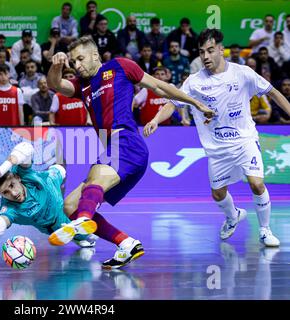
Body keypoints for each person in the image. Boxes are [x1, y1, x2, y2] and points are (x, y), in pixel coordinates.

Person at [46, 36, 214, 269]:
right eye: (73, 62)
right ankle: (126, 244)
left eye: (81, 59)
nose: (77, 65)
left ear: (95, 55)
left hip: (127, 142)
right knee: (70, 206)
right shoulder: (81, 86)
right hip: (115, 152)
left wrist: (196, 103)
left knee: (94, 179)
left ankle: (85, 219)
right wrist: (56, 65)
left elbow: (160, 86)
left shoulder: (120, 66)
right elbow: (55, 84)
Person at [144, 28, 290, 247]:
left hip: (244, 140)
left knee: (257, 184)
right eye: (202, 51)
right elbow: (173, 102)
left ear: (221, 50)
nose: (205, 56)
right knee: (218, 194)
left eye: (210, 50)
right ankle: (233, 216)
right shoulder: (194, 82)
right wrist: (156, 119)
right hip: (217, 149)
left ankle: (264, 230)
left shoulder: (243, 73)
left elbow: (273, 92)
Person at [0, 142, 97, 248]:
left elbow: (25, 148)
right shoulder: (10, 209)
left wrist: (1, 170)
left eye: (12, 186)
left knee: (61, 164)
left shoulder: (21, 172)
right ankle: (80, 236)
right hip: (55, 222)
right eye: (5, 192)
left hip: (51, 178)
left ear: (17, 178)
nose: (14, 193)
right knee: (84, 235)